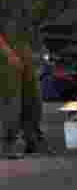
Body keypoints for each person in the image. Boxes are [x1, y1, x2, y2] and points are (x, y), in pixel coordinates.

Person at [0, 20, 48, 158]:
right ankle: (8, 144)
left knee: (32, 97)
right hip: (6, 51)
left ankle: (33, 139)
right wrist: (7, 52)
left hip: (25, 48)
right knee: (11, 99)